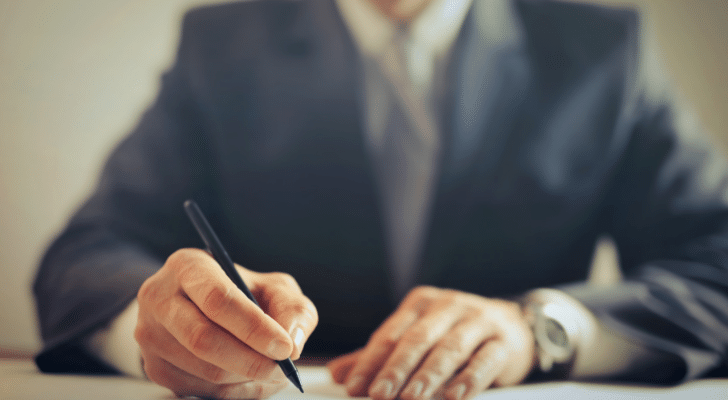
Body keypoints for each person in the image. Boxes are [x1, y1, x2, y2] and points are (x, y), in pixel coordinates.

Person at [34, 0, 728, 399]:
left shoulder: (602, 50)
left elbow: (716, 259)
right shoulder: (222, 46)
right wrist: (164, 328)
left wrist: (543, 330)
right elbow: (86, 257)